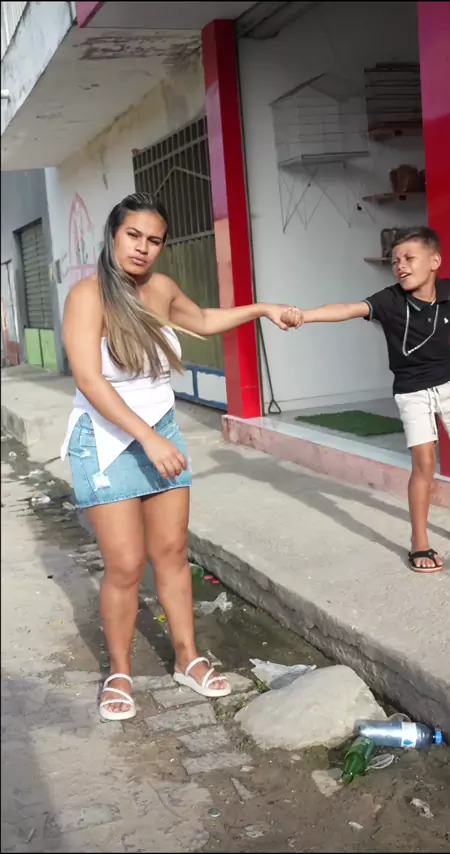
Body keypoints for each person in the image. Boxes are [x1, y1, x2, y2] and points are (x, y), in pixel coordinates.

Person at [61, 192, 302, 721]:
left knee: (171, 552)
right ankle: (119, 671)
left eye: (154, 240)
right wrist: (147, 439)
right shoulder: (88, 296)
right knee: (126, 564)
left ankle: (187, 658)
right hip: (106, 440)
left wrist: (263, 309)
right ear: (113, 234)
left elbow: (205, 319)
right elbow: (90, 381)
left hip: (161, 431)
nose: (143, 248)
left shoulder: (162, 288)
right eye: (133, 236)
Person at [299, 226, 450, 573]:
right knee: (424, 462)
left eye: (409, 258)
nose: (400, 266)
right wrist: (304, 316)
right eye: (395, 261)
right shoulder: (389, 300)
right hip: (412, 390)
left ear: (434, 261)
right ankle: (419, 542)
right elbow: (347, 309)